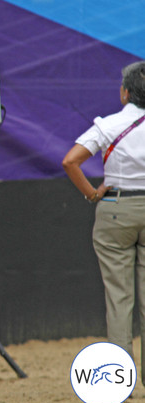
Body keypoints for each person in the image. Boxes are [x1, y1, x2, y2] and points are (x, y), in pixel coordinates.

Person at [62, 60, 145, 379]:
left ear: (125, 93)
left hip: (115, 209)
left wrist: (91, 193)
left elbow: (71, 161)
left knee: (118, 297)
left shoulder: (109, 125)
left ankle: (121, 376)